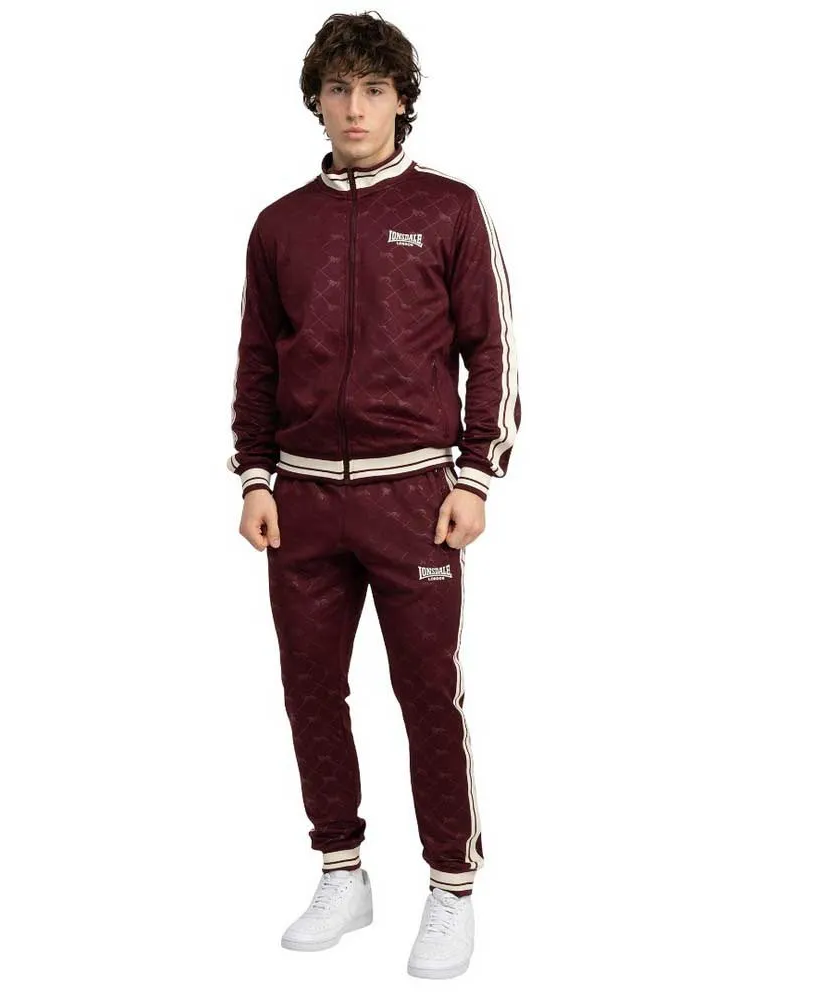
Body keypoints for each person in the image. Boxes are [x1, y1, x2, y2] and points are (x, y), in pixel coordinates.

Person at [226, 11, 520, 980]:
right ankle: (341, 870)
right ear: (316, 101)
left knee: (427, 690)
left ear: (402, 100)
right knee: (310, 687)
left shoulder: (449, 209)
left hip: (415, 497)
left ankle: (451, 885)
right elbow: (256, 363)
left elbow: (491, 348)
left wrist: (475, 475)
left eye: (374, 89)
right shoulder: (280, 224)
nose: (355, 107)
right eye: (338, 89)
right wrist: (255, 474)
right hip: (302, 501)